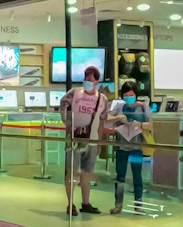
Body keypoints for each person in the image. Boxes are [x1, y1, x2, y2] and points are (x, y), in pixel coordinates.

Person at [59, 64, 108, 216]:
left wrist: (100, 141)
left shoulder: (102, 99)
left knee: (87, 173)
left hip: (91, 140)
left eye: (90, 79)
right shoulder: (74, 93)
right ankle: (70, 203)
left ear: (97, 82)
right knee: (72, 172)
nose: (87, 81)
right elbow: (62, 105)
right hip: (73, 139)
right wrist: (67, 124)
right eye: (85, 79)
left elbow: (102, 120)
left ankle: (86, 203)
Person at [107, 79, 151, 214]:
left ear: (136, 94)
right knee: (120, 176)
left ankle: (138, 204)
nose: (128, 97)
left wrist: (140, 124)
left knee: (137, 176)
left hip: (136, 148)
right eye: (125, 95)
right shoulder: (119, 107)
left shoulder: (143, 107)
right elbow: (106, 118)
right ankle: (118, 204)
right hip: (121, 147)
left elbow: (150, 125)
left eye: (131, 94)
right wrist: (118, 117)